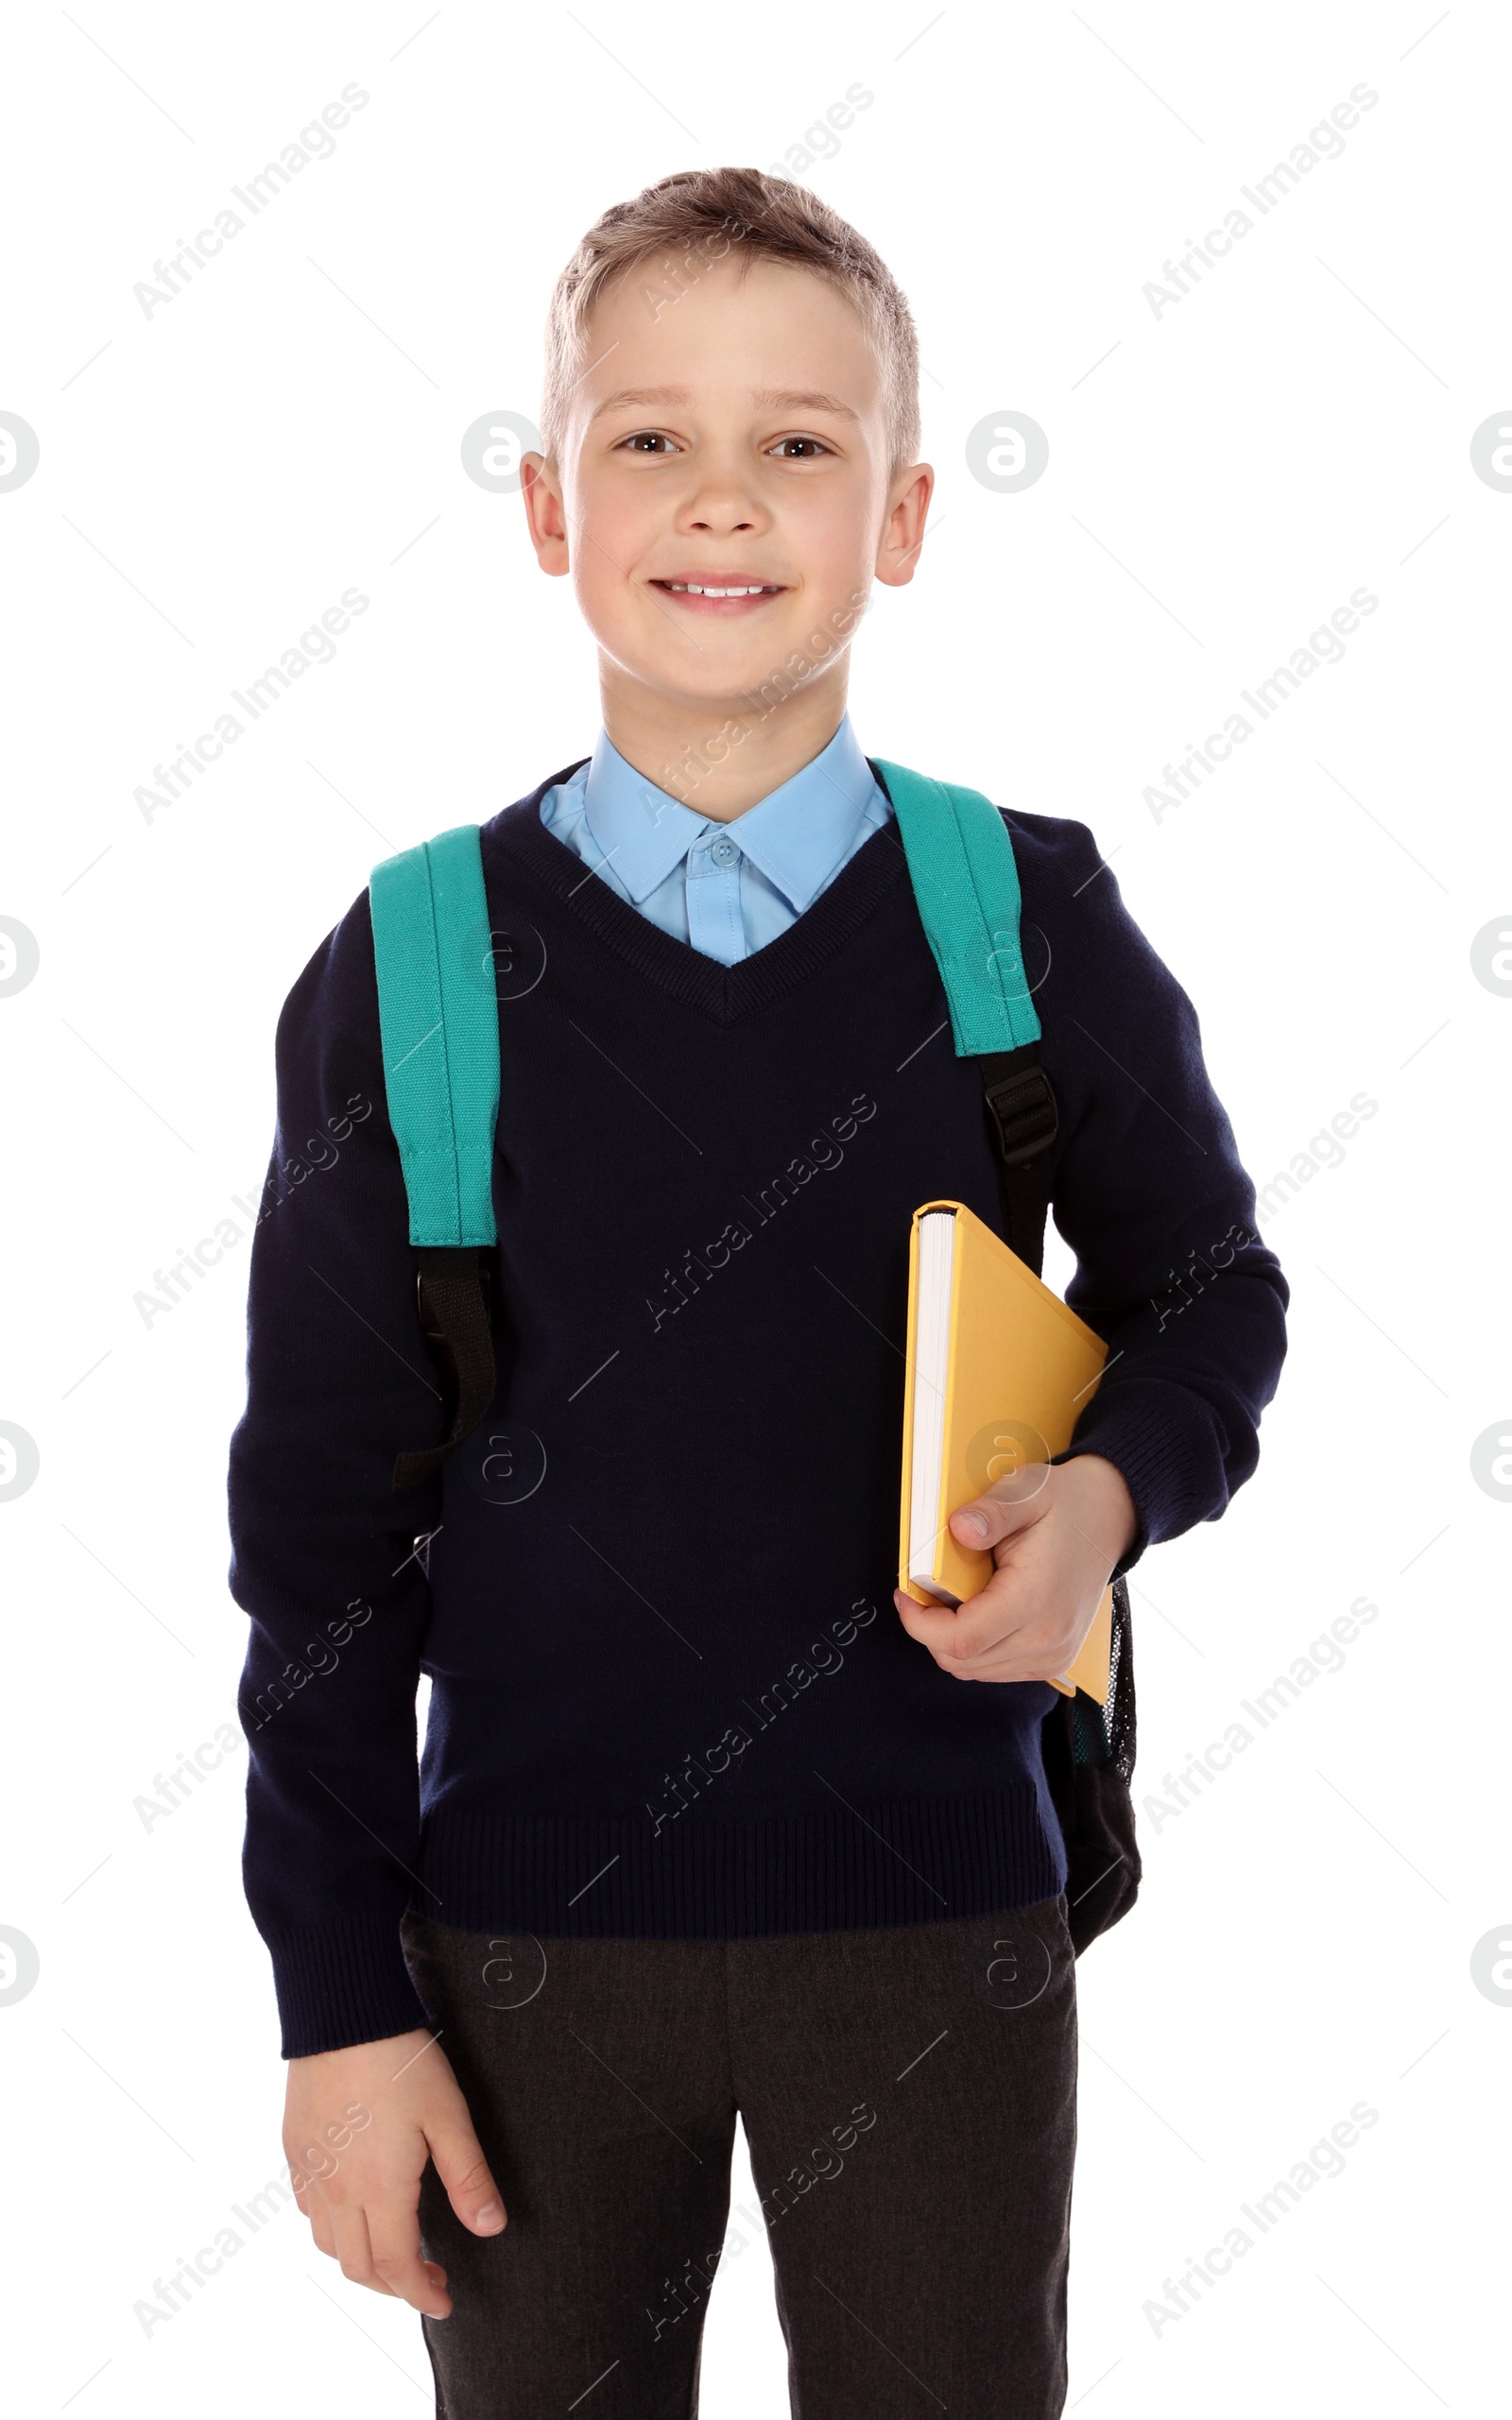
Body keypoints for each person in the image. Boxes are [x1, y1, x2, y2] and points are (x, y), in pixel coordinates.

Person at [228, 166, 1288, 2417]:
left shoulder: (1023, 916)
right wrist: (339, 2003)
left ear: (899, 515)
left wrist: (1105, 1498)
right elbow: (317, 1549)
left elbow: (1209, 1294)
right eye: (649, 439)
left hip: (939, 1934)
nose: (724, 497)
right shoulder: (412, 967)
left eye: (798, 442)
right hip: (516, 1961)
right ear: (546, 505)